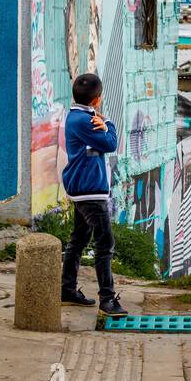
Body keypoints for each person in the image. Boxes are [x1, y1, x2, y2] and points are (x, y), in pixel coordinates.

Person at [59, 72, 128, 316]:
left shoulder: (80, 116)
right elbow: (110, 144)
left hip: (83, 189)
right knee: (105, 244)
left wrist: (101, 121)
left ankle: (66, 290)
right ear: (97, 99)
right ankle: (107, 300)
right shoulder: (84, 120)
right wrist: (109, 124)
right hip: (90, 191)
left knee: (78, 240)